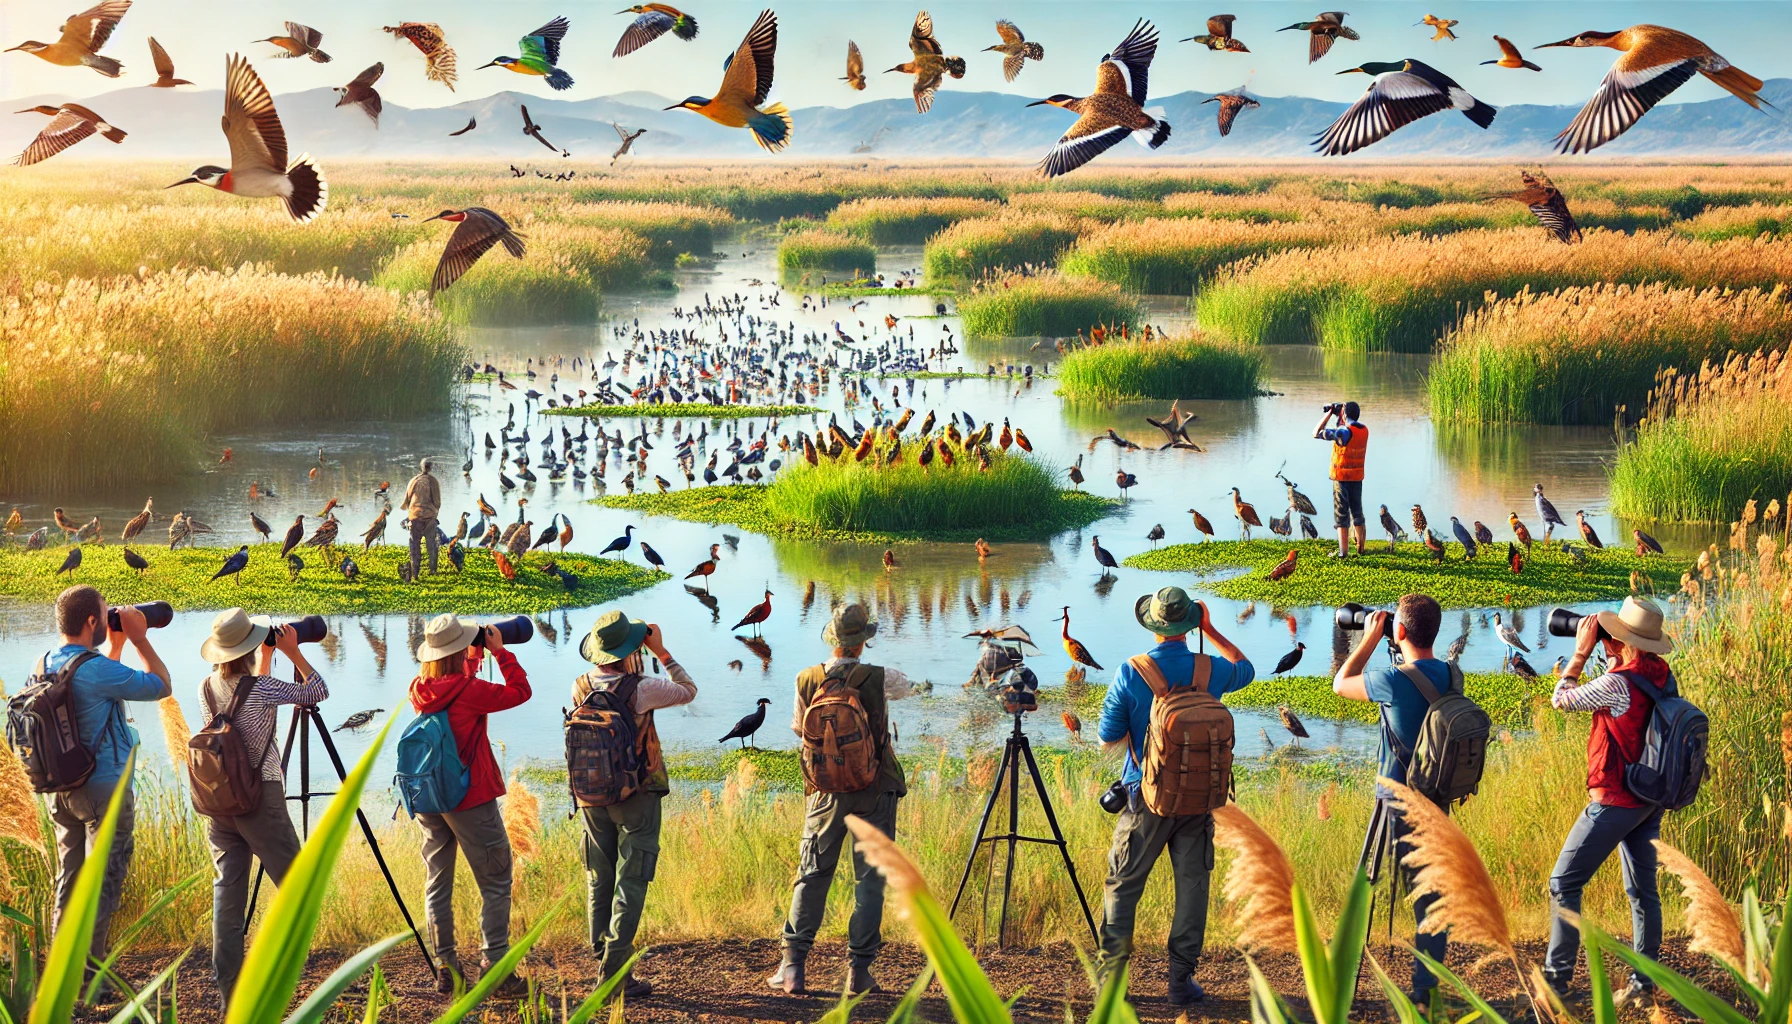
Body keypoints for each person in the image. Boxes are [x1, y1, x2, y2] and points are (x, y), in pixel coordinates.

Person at [1096, 586, 1255, 1005]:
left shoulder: (1132, 672)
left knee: (1123, 886)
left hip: (1144, 799)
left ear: (1153, 624)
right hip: (1199, 800)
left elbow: (1107, 736)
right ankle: (1180, 983)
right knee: (1192, 888)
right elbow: (1247, 668)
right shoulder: (1212, 670)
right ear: (1190, 623)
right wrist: (1213, 630)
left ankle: (1111, 986)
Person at [768, 603, 927, 997]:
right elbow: (907, 688)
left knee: (812, 875)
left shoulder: (805, 678)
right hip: (875, 789)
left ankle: (792, 969)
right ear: (863, 642)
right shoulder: (880, 676)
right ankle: (858, 972)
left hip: (824, 792)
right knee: (870, 881)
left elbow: (797, 728)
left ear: (833, 640)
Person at [1544, 596, 1677, 1009]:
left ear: (1621, 641)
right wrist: (1609, 654)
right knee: (1642, 893)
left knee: (1563, 883)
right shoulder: (1659, 674)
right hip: (1647, 798)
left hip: (1615, 800)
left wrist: (1581, 652)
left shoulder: (1618, 683)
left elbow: (1561, 699)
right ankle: (1643, 984)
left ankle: (1557, 983)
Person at [195, 608, 328, 1009]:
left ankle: (231, 996)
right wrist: (293, 652)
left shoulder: (206, 686)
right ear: (250, 645)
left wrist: (266, 656)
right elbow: (317, 690)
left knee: (228, 899)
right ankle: (280, 979)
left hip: (220, 803)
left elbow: (245, 696)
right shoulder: (265, 689)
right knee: (297, 889)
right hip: (260, 800)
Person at [41, 585, 171, 995]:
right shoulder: (95, 669)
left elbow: (95, 695)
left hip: (61, 789)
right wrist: (138, 638)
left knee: (71, 879)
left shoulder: (43, 662)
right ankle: (91, 981)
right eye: (104, 612)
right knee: (104, 881)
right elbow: (160, 684)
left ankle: (62, 973)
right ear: (92, 621)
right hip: (103, 795)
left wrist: (112, 646)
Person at [1332, 593, 1450, 1003]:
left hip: (1395, 803)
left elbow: (1340, 684)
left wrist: (1367, 638)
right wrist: (1393, 637)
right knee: (1431, 896)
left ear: (1398, 631)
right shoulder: (1454, 675)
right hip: (1436, 801)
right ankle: (1425, 987)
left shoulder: (1393, 680)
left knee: (1365, 889)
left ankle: (1341, 981)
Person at [572, 611, 696, 1000]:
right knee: (632, 879)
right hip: (636, 795)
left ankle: (603, 954)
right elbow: (688, 690)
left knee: (600, 875)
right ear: (631, 648)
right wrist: (662, 651)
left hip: (590, 795)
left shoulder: (580, 685)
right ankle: (612, 972)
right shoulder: (642, 687)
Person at [408, 613, 531, 996]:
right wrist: (500, 651)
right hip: (470, 799)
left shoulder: (419, 688)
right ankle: (495, 968)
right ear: (459, 650)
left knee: (437, 880)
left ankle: (446, 966)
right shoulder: (470, 691)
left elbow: (457, 686)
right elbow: (519, 692)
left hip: (429, 798)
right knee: (496, 881)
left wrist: (473, 657)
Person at [1314, 401, 1368, 558]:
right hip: (1357, 477)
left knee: (1341, 515)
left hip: (1341, 478)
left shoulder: (1343, 432)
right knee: (1357, 513)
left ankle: (1343, 553)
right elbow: (1347, 432)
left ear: (1344, 414)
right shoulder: (1363, 430)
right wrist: (1341, 416)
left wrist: (1328, 414)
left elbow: (1316, 432)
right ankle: (1361, 548)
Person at [401, 457, 442, 580]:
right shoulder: (433, 481)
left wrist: (413, 512)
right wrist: (433, 514)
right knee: (431, 543)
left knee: (414, 544)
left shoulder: (414, 480)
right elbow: (437, 502)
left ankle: (415, 572)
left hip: (415, 517)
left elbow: (406, 501)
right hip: (429, 517)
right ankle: (433, 569)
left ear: (421, 467)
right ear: (430, 468)